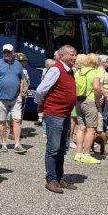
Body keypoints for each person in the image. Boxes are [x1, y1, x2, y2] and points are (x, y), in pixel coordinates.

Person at [35, 45, 78, 193]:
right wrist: (41, 105)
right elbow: (41, 90)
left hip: (64, 114)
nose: (74, 57)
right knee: (53, 148)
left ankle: (59, 178)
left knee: (61, 149)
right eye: (71, 55)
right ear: (61, 56)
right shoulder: (56, 69)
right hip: (55, 114)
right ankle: (51, 180)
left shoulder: (69, 70)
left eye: (75, 54)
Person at [0, 44, 28, 154]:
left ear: (13, 53)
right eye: (5, 52)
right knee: (2, 121)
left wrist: (21, 93)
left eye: (8, 52)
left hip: (15, 98)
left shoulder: (18, 65)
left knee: (17, 120)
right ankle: (4, 143)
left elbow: (21, 79)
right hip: (0, 97)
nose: (6, 54)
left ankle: (17, 144)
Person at [74, 53, 103, 164]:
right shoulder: (95, 72)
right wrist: (98, 100)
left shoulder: (78, 72)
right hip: (89, 101)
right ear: (96, 63)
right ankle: (86, 154)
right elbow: (96, 87)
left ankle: (78, 153)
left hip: (78, 100)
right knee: (91, 129)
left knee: (81, 127)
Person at [36, 58, 55, 126]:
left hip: (47, 91)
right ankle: (40, 119)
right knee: (40, 105)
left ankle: (43, 119)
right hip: (44, 90)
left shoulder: (53, 72)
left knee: (44, 105)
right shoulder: (45, 70)